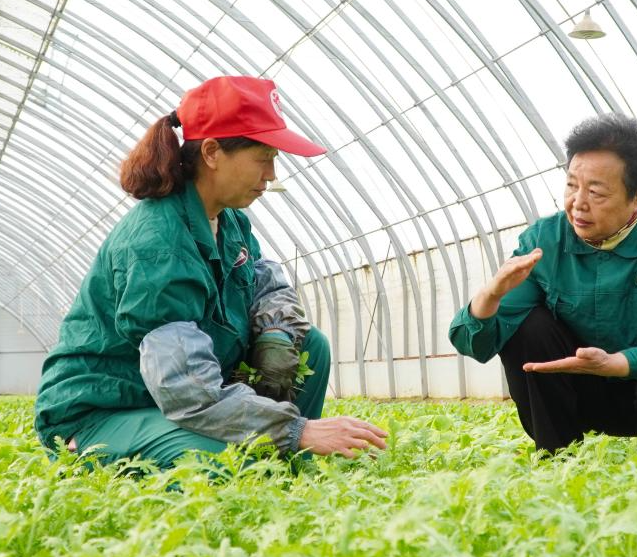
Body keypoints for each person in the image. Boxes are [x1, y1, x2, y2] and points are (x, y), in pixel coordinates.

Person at [35, 76, 387, 468]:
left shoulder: (230, 220)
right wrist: (297, 430)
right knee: (223, 463)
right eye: (263, 157)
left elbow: (266, 284)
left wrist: (274, 334)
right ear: (212, 152)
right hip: (108, 410)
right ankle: (277, 451)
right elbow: (185, 388)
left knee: (309, 346)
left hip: (165, 400)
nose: (271, 174)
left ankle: (281, 460)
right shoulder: (157, 242)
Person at [449, 113, 637, 459]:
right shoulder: (544, 240)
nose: (577, 203)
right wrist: (490, 296)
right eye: (572, 185)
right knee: (527, 327)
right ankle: (559, 458)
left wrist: (618, 362)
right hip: (577, 395)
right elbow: (474, 344)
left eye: (596, 191)